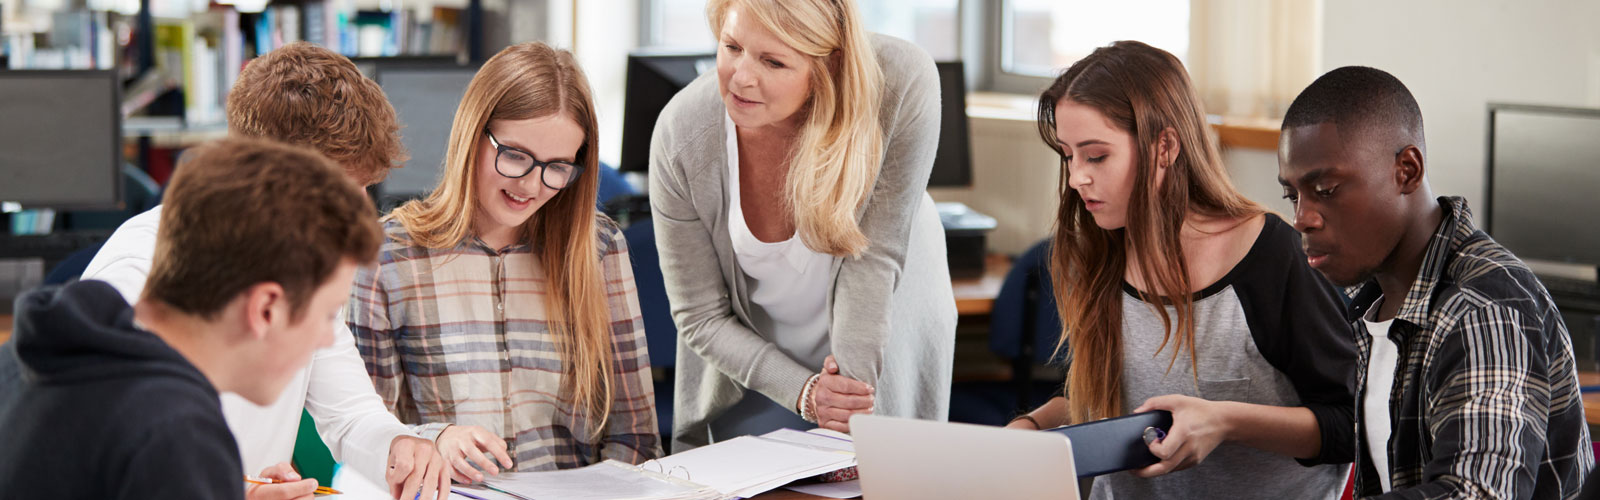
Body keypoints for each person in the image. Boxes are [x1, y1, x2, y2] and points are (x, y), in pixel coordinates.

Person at [79, 42, 464, 500]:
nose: (359, 209)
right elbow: (103, 467)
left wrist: (400, 445)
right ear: (265, 175)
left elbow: (351, 412)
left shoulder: (303, 263)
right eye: (341, 188)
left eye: (364, 188)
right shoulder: (139, 276)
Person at [1003, 41, 1358, 499]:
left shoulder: (1274, 256)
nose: (1075, 178)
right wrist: (1032, 426)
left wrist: (1225, 422)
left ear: (1164, 146)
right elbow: (1096, 396)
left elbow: (1354, 422)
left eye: (1096, 156)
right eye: (1068, 155)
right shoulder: (1101, 248)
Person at [649, 0, 957, 451]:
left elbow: (872, 262)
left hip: (882, 326)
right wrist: (806, 392)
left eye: (773, 61)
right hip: (754, 357)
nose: (741, 76)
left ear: (828, 64)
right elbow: (700, 315)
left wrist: (849, 408)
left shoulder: (899, 82)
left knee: (881, 476)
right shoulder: (682, 135)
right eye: (731, 46)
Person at [0, 138, 380, 499]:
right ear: (265, 309)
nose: (327, 340)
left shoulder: (36, 360)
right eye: (327, 314)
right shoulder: (172, 433)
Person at [1277, 65, 1593, 498]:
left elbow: (1475, 493)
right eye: (1293, 196)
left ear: (1406, 170)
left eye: (1327, 190)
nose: (1303, 219)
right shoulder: (1373, 299)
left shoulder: (1483, 308)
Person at [346, 41, 660, 477]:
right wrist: (436, 438)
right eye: (515, 155)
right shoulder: (387, 259)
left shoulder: (598, 248)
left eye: (558, 166)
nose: (531, 186)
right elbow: (364, 437)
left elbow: (636, 440)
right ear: (473, 134)